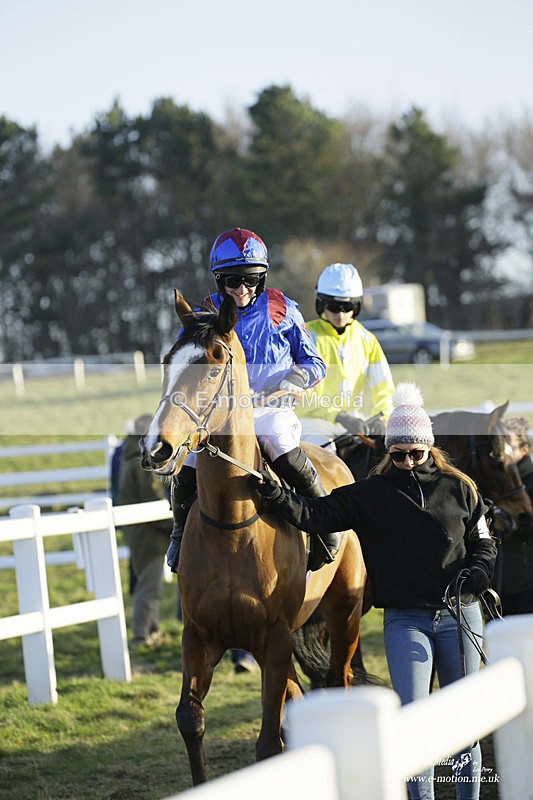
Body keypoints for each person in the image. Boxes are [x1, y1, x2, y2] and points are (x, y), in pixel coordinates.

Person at [252, 382, 497, 800]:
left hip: (461, 614)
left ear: (429, 449)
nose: (406, 462)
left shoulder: (462, 488)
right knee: (414, 720)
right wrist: (276, 495)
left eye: (415, 453)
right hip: (406, 621)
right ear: (389, 452)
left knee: (464, 723)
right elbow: (314, 514)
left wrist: (477, 571)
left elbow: (484, 544)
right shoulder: (369, 494)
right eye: (397, 454)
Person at [167, 227, 336, 574]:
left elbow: (314, 362)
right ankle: (180, 531)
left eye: (251, 280)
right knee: (187, 465)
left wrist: (292, 381)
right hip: (221, 414)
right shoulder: (205, 312)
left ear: (262, 278)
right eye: (232, 280)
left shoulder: (283, 307)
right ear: (218, 280)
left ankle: (326, 525)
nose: (242, 289)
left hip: (270, 410)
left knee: (279, 444)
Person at [297, 262, 394, 437]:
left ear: (356, 306)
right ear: (321, 304)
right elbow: (299, 395)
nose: (340, 315)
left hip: (355, 422)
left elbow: (383, 387)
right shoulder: (304, 336)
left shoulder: (367, 340)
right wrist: (338, 416)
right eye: (333, 307)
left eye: (347, 307)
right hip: (313, 423)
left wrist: (382, 417)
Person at [118, 414, 172, 650]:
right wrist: (176, 527)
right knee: (150, 587)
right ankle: (141, 636)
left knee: (147, 583)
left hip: (139, 532)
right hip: (148, 534)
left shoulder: (128, 458)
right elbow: (152, 498)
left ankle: (152, 631)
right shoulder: (141, 465)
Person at [499, 416, 533, 615]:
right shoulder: (496, 483)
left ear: (524, 449)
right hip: (504, 584)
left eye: (508, 445)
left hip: (528, 584)